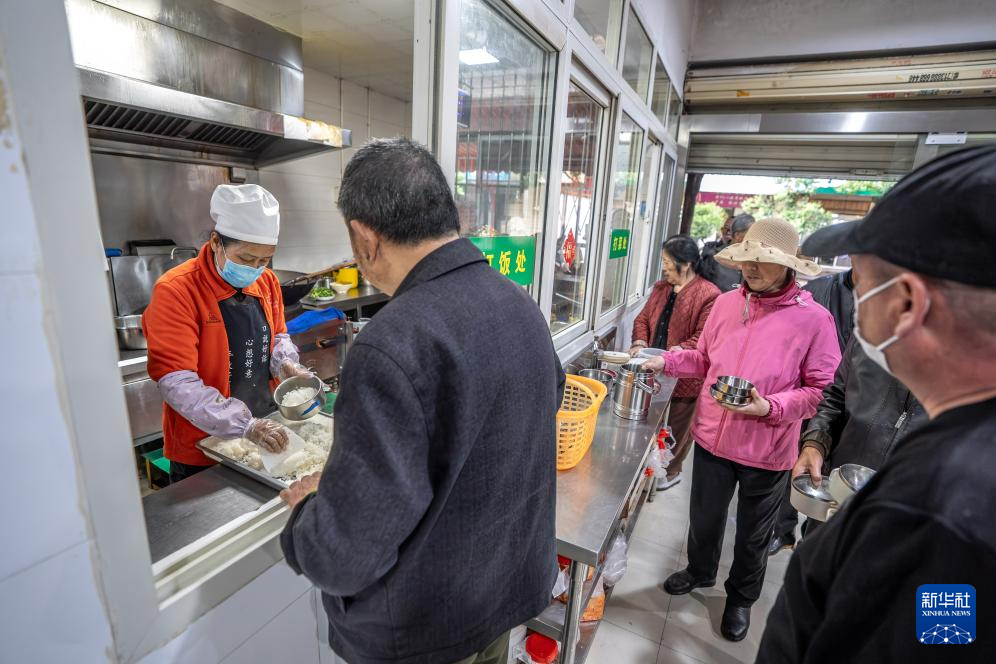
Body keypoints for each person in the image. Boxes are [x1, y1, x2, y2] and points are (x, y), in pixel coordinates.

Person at [278, 138, 565, 664]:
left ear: (366, 239)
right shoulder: (518, 303)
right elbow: (533, 409)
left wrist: (309, 513)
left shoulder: (391, 343)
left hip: (424, 631)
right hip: (501, 597)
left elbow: (345, 555)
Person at [757, 145, 996, 663]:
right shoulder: (960, 451)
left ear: (906, 304)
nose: (854, 303)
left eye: (861, 285)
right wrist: (817, 441)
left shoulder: (938, 511)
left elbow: (937, 638)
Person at [643, 217, 841, 642]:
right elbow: (703, 359)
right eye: (746, 258)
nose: (750, 267)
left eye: (761, 260)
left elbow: (820, 391)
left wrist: (769, 406)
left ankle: (740, 598)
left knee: (753, 535)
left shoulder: (815, 320)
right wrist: (667, 360)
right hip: (712, 437)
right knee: (704, 518)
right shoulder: (726, 304)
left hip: (767, 449)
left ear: (787, 265)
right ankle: (700, 570)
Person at [143, 184, 310, 483]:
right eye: (246, 259)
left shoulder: (267, 281)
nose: (256, 269)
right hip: (205, 448)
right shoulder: (176, 290)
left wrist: (284, 363)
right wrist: (245, 425)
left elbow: (277, 336)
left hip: (266, 430)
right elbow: (177, 382)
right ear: (216, 242)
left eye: (264, 260)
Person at [769, 268, 856, 553]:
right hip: (815, 394)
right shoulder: (821, 288)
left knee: (834, 479)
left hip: (853, 404)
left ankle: (811, 538)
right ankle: (783, 530)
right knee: (798, 463)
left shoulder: (890, 302)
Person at [629, 235, 720, 490]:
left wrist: (671, 358)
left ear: (687, 263)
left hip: (685, 377)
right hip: (652, 371)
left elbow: (702, 339)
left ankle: (670, 472)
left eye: (668, 262)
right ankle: (648, 468)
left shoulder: (709, 295)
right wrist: (639, 342)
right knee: (651, 424)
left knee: (677, 427)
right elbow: (642, 319)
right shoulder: (661, 288)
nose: (664, 268)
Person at [700, 213, 749, 291]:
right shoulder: (713, 255)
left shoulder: (751, 258)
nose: (728, 232)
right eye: (726, 228)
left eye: (731, 229)